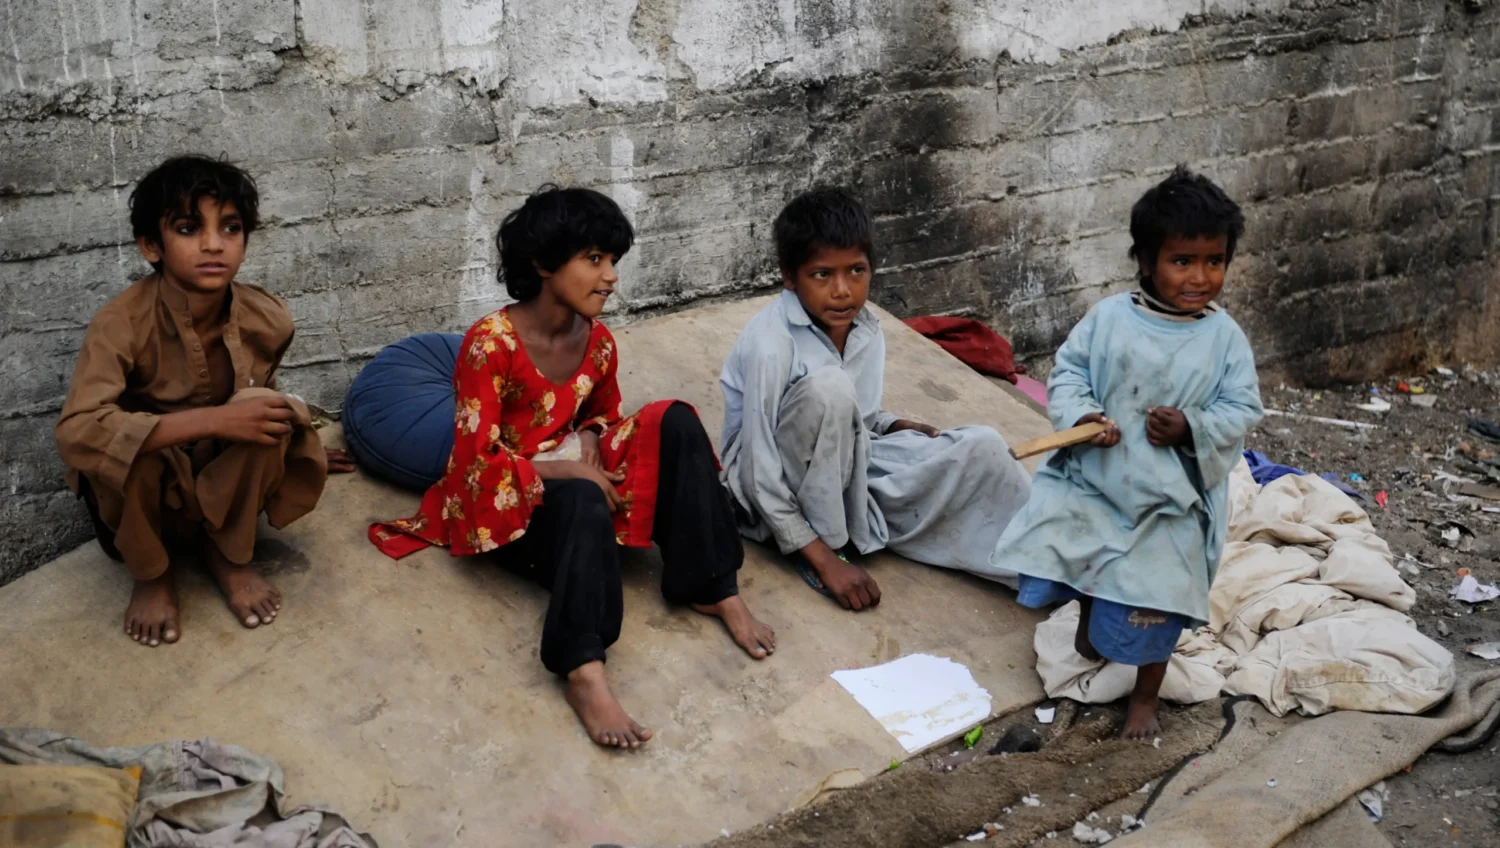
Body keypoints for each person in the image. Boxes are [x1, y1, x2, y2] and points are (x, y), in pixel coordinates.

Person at [370, 186, 775, 749]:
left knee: (675, 420)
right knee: (585, 500)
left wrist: (587, 439)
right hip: (505, 507)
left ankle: (710, 584)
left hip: (567, 472)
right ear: (543, 263)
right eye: (594, 259)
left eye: (613, 260)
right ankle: (582, 667)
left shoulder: (598, 341)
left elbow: (603, 414)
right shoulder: (490, 345)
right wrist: (569, 473)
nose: (610, 276)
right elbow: (474, 464)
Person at [989, 166, 1264, 739]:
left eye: (1214, 261)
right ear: (1144, 259)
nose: (1200, 277)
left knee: (1159, 602)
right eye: (1182, 261)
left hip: (1170, 505)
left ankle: (1144, 696)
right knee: (1084, 561)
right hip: (1101, 482)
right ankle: (1091, 615)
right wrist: (1083, 418)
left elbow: (1242, 408)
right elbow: (1069, 373)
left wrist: (1192, 426)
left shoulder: (1224, 340)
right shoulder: (1110, 320)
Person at [55, 154, 355, 649]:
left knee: (267, 410)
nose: (214, 244)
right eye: (189, 228)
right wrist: (215, 421)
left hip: (219, 480)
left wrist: (296, 444)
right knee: (131, 446)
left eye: (231, 228)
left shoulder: (268, 317)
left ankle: (228, 555)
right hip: (147, 496)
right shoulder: (120, 323)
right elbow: (76, 432)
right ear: (151, 246)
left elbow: (262, 395)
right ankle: (153, 575)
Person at [718, 187, 1033, 611]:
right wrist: (825, 559)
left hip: (848, 462)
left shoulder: (865, 329)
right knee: (829, 388)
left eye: (856, 271)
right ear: (790, 278)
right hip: (768, 489)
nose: (842, 290)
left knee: (981, 447)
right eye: (822, 275)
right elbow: (759, 466)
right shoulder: (770, 344)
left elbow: (857, 418)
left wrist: (891, 424)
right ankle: (820, 542)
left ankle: (1046, 562)